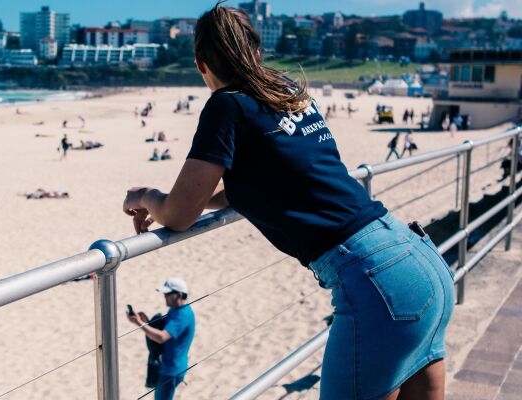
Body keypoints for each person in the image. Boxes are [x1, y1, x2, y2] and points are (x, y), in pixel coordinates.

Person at [122, 5, 454, 400]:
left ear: (201, 64)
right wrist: (203, 198)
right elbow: (278, 179)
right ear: (257, 53)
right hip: (417, 256)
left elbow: (177, 215)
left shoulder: (226, 104)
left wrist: (143, 195)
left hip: (376, 280)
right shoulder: (286, 92)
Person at [127, 278, 195, 400]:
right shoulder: (175, 309)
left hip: (171, 370)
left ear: (178, 295)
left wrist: (139, 323)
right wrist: (145, 322)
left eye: (167, 294)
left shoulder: (182, 315)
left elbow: (161, 337)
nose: (164, 296)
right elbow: (165, 331)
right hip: (171, 366)